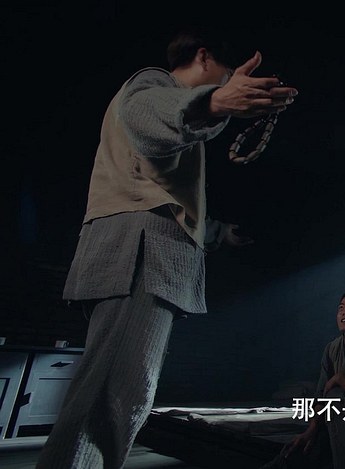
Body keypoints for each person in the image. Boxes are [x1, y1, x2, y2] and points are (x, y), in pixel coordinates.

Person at [37, 27, 298, 468]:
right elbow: (145, 118)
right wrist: (214, 102)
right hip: (138, 254)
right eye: (226, 74)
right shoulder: (153, 84)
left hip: (143, 251)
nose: (227, 84)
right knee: (114, 396)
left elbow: (162, 193)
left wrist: (219, 233)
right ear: (203, 57)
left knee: (120, 393)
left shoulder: (178, 117)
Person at [267, 290, 345, 469]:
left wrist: (343, 379)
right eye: (341, 308)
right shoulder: (333, 348)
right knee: (306, 443)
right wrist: (311, 429)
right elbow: (321, 396)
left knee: (337, 397)